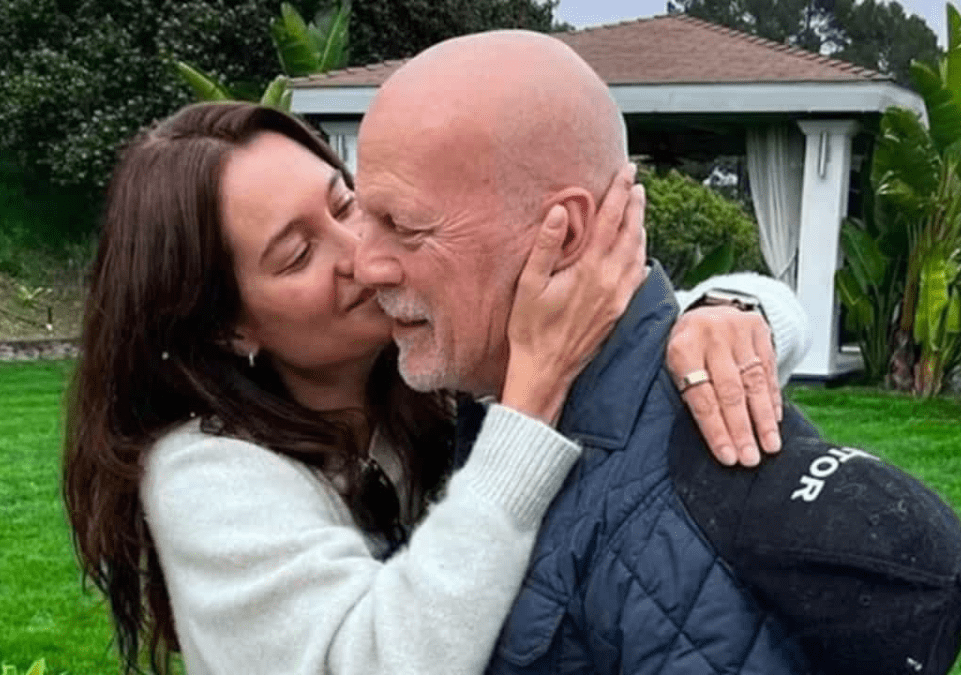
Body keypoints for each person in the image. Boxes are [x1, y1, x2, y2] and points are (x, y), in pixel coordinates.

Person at [62, 102, 809, 675]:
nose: (362, 253)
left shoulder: (424, 367)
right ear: (227, 329)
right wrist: (531, 398)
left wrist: (724, 314)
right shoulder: (205, 472)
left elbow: (655, 313)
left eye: (345, 203)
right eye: (298, 255)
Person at [353, 30, 961, 675]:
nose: (365, 265)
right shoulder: (483, 394)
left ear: (564, 234)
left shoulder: (667, 524)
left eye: (404, 226)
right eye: (360, 216)